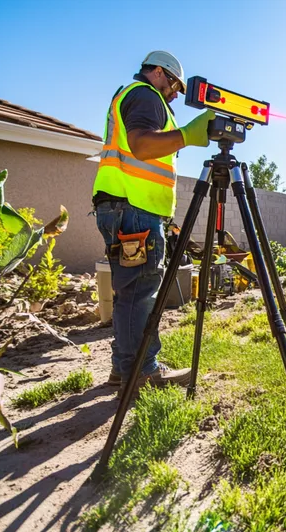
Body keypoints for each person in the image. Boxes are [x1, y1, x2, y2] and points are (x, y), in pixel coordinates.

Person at [92, 51, 215, 390]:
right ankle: (142, 372)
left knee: (128, 292)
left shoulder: (133, 97)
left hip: (123, 207)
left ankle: (123, 368)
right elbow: (142, 145)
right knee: (140, 292)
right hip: (134, 208)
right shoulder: (146, 95)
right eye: (174, 84)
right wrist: (187, 136)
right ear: (158, 73)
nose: (175, 93)